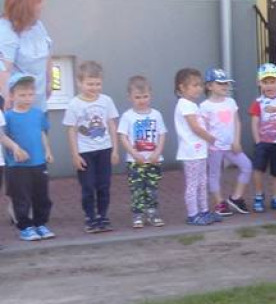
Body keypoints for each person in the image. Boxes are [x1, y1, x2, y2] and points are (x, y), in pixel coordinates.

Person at [63, 61, 119, 232]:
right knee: (88, 186)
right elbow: (71, 130)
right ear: (79, 83)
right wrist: (75, 154)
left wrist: (115, 149)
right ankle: (90, 217)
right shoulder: (74, 104)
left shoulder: (106, 101)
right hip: (85, 152)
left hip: (104, 149)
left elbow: (111, 125)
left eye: (97, 84)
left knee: (104, 185)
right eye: (90, 84)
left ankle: (103, 216)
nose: (94, 87)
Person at [3, 74, 54, 241]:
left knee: (42, 196)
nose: (27, 98)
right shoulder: (8, 116)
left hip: (38, 163)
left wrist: (47, 150)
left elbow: (42, 133)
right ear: (12, 95)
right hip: (17, 166)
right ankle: (25, 227)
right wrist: (15, 150)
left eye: (30, 94)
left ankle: (40, 224)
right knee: (21, 198)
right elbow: (3, 137)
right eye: (22, 95)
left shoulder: (38, 114)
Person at [117, 75, 167, 227]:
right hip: (135, 162)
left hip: (154, 160)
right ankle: (138, 215)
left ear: (150, 95)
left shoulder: (156, 115)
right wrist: (134, 154)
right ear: (130, 97)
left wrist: (158, 152)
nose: (142, 100)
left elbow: (162, 134)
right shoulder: (128, 116)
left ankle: (152, 213)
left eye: (145, 96)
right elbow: (123, 137)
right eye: (138, 97)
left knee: (152, 188)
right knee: (138, 189)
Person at [201, 67, 252, 217]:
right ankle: (219, 203)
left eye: (226, 83)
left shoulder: (230, 102)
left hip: (231, 146)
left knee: (247, 166)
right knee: (215, 174)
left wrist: (236, 141)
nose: (224, 86)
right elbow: (202, 127)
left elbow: (237, 122)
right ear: (209, 86)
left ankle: (236, 197)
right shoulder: (204, 106)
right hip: (214, 148)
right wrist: (209, 142)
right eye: (220, 83)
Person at [174, 67, 218, 225]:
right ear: (182, 87)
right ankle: (193, 214)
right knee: (193, 184)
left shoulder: (192, 105)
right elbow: (195, 127)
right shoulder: (184, 104)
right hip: (190, 152)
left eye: (200, 85)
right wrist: (210, 138)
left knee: (202, 182)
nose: (199, 88)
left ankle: (204, 211)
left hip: (199, 150)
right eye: (194, 85)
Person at [0, 0, 52, 111]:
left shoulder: (37, 25)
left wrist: (50, 82)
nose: (42, 7)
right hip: (18, 109)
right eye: (38, 3)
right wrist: (6, 98)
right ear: (26, 8)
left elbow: (47, 55)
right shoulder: (6, 32)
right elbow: (4, 69)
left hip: (38, 103)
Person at [249, 63, 276, 213]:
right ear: (259, 83)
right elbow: (255, 122)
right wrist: (257, 140)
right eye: (265, 82)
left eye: (272, 82)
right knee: (258, 169)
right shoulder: (258, 102)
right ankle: (259, 196)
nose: (269, 86)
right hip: (264, 142)